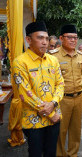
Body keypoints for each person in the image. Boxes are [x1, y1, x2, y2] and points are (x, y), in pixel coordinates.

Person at [12, 21, 64, 157]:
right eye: (40, 38)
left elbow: (60, 84)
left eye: (46, 38)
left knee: (51, 152)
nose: (45, 42)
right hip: (33, 120)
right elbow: (25, 93)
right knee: (35, 153)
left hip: (54, 116)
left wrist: (53, 103)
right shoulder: (20, 62)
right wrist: (51, 114)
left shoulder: (53, 60)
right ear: (28, 40)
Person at [51, 24, 82, 157]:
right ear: (61, 38)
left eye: (75, 38)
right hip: (62, 100)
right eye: (70, 37)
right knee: (60, 130)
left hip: (78, 98)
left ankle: (73, 154)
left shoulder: (80, 56)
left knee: (76, 130)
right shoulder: (53, 57)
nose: (74, 40)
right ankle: (60, 154)